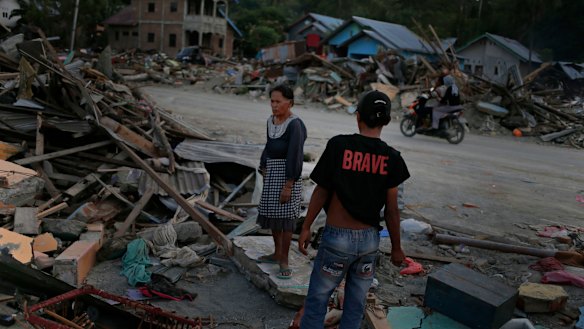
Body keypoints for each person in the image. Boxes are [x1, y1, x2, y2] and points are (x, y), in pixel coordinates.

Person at [298, 90, 410, 328]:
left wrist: (306, 226)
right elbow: (392, 211)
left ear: (358, 116)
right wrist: (398, 249)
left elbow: (322, 190)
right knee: (355, 304)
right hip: (369, 242)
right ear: (387, 121)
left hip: (337, 240)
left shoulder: (339, 146)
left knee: (318, 299)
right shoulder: (393, 158)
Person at [257, 84, 307, 280]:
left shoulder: (295, 125)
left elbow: (296, 155)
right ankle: (277, 253)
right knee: (273, 216)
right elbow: (269, 146)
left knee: (286, 219)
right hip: (272, 173)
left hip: (287, 176)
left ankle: (284, 260)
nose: (274, 105)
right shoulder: (271, 121)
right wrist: (263, 163)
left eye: (278, 102)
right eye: (272, 101)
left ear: (290, 103)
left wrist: (289, 184)